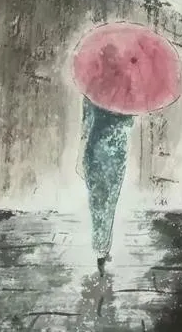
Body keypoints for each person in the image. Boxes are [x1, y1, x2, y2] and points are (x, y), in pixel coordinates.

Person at [76, 96, 133, 276]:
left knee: (96, 202)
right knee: (110, 201)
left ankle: (100, 247)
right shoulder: (127, 94)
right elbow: (129, 124)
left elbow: (86, 124)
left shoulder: (92, 92)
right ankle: (104, 246)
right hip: (117, 152)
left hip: (95, 149)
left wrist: (79, 155)